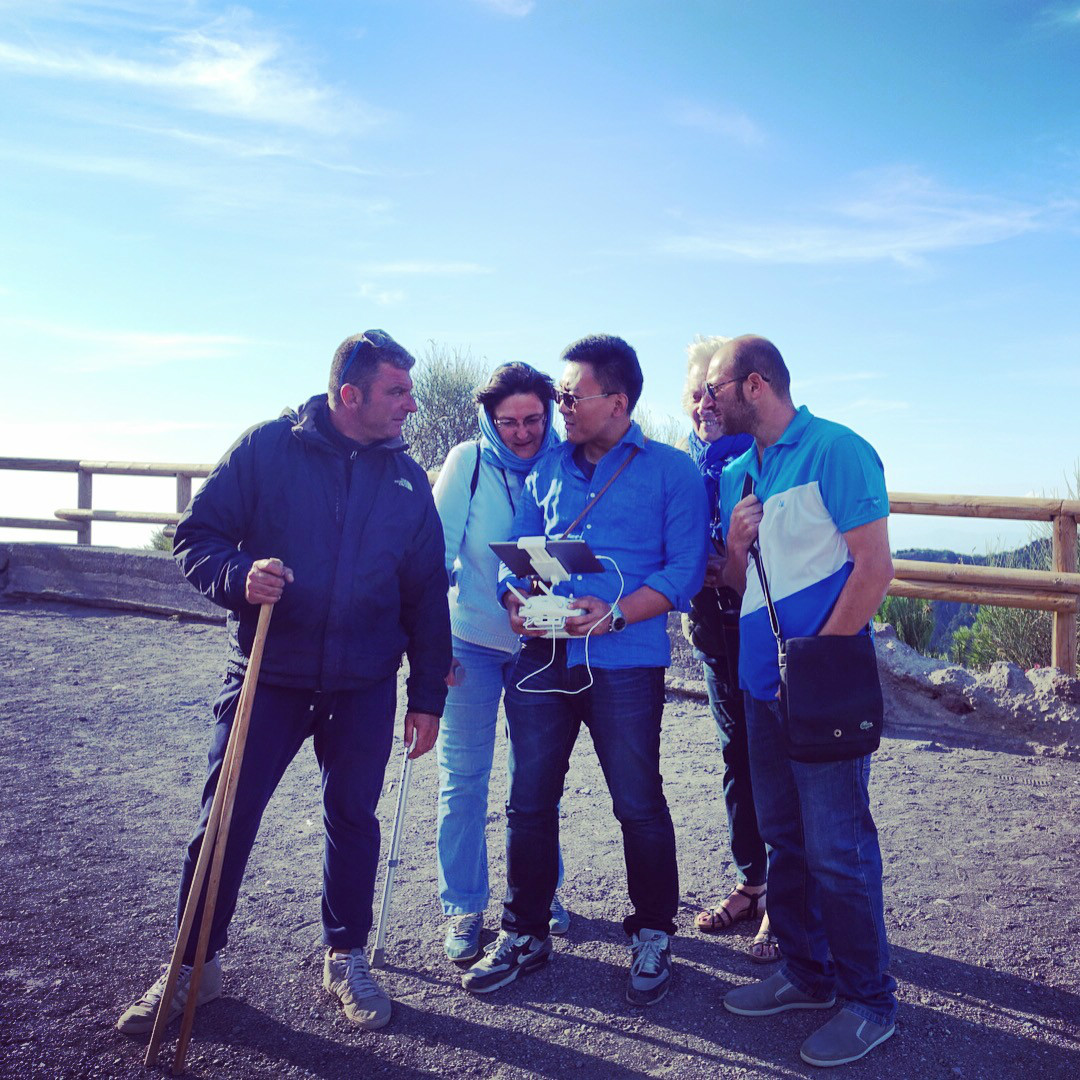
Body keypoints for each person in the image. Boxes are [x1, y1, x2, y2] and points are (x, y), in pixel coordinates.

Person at [115, 330, 451, 1036]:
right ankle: (192, 967)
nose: (411, 406)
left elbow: (425, 593)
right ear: (349, 394)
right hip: (266, 674)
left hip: (363, 684)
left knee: (353, 819)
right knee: (225, 819)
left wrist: (427, 697)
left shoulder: (407, 478)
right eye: (397, 391)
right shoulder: (266, 448)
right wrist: (240, 576)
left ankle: (346, 958)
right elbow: (196, 537)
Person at [460, 334, 707, 1006]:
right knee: (528, 802)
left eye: (571, 395)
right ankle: (524, 933)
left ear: (618, 401)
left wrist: (616, 614)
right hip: (541, 657)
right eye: (559, 395)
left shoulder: (672, 472)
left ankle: (653, 933)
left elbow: (685, 570)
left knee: (638, 803)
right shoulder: (544, 468)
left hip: (625, 662)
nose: (559, 406)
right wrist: (515, 601)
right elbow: (518, 555)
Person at [703, 335, 897, 1068]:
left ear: (755, 385)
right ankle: (808, 975)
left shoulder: (838, 450)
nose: (704, 401)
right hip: (759, 689)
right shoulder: (740, 472)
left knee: (839, 852)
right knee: (785, 840)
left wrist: (814, 672)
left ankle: (870, 1002)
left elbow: (874, 570)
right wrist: (733, 546)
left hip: (818, 693)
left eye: (715, 388)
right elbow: (735, 586)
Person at [431, 362, 571, 963]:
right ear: (489, 418)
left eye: (533, 419)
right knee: (463, 779)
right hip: (470, 641)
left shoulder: (565, 462)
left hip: (541, 646)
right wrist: (429, 648)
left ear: (550, 412)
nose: (522, 433)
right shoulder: (467, 462)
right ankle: (463, 906)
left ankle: (537, 894)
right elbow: (433, 556)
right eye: (508, 421)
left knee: (535, 781)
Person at [680, 337, 776, 962]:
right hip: (710, 624)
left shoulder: (756, 456)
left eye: (713, 393)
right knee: (735, 756)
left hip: (760, 620)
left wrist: (731, 560)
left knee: (773, 757)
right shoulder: (686, 461)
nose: (704, 406)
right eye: (696, 394)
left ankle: (785, 899)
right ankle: (753, 884)